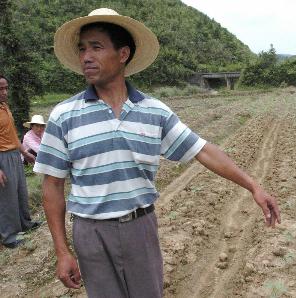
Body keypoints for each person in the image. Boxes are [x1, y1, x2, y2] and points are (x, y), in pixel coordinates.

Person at [34, 8, 280, 297]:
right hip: (91, 234)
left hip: (139, 228)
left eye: (96, 47)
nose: (86, 57)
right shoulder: (64, 115)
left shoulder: (154, 111)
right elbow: (52, 186)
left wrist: (253, 186)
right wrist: (62, 252)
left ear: (122, 54)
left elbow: (202, 150)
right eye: (82, 49)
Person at [0, 74, 40, 249]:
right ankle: (9, 236)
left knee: (20, 191)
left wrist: (25, 152)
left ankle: (25, 223)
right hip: (2, 157)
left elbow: (12, 135)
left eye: (6, 88)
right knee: (6, 197)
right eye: (0, 89)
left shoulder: (4, 107)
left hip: (14, 155)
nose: (5, 92)